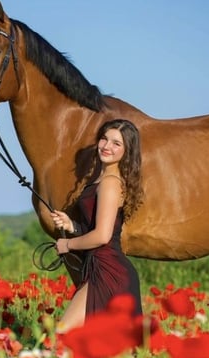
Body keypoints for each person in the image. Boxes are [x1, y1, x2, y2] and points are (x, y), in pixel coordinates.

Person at [51, 118, 144, 333]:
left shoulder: (110, 184)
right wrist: (72, 225)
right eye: (104, 139)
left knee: (62, 336)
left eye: (116, 143)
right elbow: (101, 230)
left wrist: (68, 245)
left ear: (127, 151)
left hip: (108, 273)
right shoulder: (103, 180)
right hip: (100, 269)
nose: (107, 146)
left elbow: (102, 236)